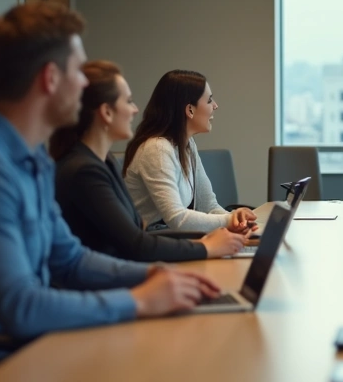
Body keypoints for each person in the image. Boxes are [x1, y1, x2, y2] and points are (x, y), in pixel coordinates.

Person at [0, 2, 221, 382]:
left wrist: (154, 273)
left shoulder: (32, 160)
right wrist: (140, 299)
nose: (85, 85)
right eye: (78, 72)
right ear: (50, 78)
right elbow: (21, 306)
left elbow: (70, 260)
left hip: (28, 349)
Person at [50, 61, 248, 261]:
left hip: (136, 259)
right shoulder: (87, 170)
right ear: (107, 112)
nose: (136, 109)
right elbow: (137, 243)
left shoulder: (103, 161)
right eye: (128, 101)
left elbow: (133, 237)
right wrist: (207, 245)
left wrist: (231, 225)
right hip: (132, 262)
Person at [123, 70, 256, 234]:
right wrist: (228, 220)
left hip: (170, 237)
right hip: (153, 241)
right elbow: (177, 219)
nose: (215, 106)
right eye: (209, 100)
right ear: (190, 110)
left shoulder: (186, 144)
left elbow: (209, 206)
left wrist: (237, 221)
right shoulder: (156, 149)